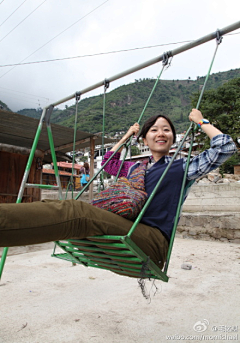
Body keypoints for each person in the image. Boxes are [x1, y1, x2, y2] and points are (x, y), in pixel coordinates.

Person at [0, 109, 236, 270]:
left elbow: (225, 147)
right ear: (145, 140)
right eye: (153, 130)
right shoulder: (136, 167)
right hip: (126, 228)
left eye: (166, 129)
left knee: (76, 213)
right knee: (57, 207)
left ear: (173, 138)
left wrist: (201, 122)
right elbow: (108, 162)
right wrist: (127, 135)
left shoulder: (182, 166)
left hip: (151, 240)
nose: (161, 133)